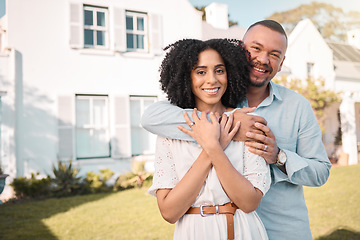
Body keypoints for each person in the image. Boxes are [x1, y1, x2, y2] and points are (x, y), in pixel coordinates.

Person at [142, 20, 332, 240]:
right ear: (240, 50)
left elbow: (321, 172)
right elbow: (150, 118)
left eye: (274, 54)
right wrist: (229, 124)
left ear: (281, 64)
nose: (263, 59)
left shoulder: (297, 106)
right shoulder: (213, 97)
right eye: (256, 48)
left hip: (284, 230)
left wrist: (279, 157)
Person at [147, 38, 271, 240]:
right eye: (201, 72)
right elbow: (169, 212)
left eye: (219, 70)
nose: (212, 80)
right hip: (193, 233)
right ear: (186, 77)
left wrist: (215, 149)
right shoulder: (170, 132)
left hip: (243, 231)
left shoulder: (245, 123)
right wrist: (213, 146)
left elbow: (249, 203)